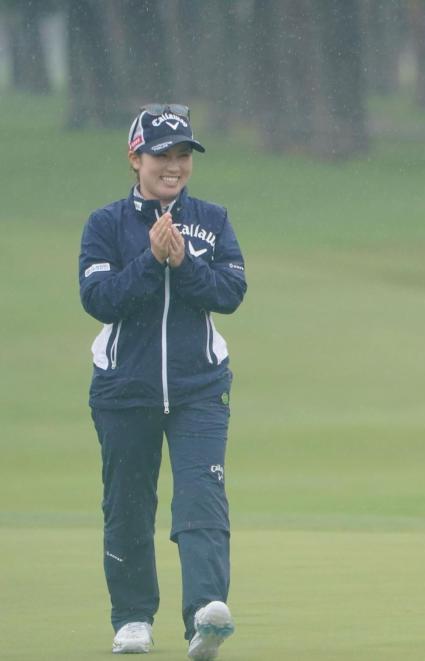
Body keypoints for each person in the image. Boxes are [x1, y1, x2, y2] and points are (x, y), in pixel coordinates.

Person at [79, 104, 247, 658]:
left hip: (200, 387)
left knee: (203, 496)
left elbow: (230, 293)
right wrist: (152, 261)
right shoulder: (105, 224)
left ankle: (205, 613)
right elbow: (99, 299)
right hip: (124, 388)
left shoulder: (213, 219)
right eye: (161, 156)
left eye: (182, 157)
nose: (173, 167)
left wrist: (184, 265)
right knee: (127, 503)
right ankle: (131, 617)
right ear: (135, 158)